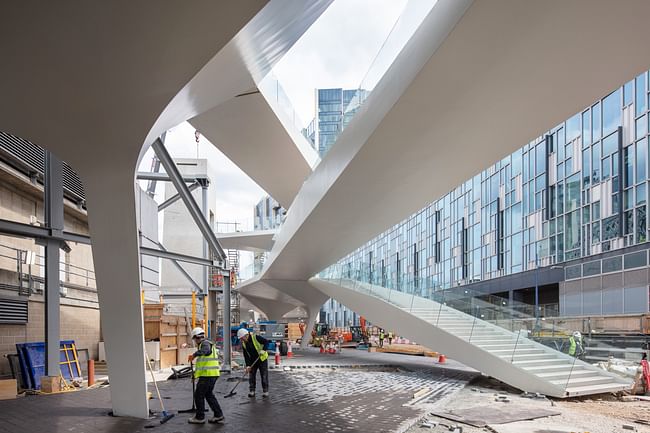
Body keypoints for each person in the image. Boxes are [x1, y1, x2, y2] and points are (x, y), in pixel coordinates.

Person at [187, 327, 224, 424]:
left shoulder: (205, 344)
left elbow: (206, 351)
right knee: (208, 395)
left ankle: (200, 417)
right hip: (211, 374)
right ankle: (218, 415)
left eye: (194, 339)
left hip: (208, 376)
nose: (194, 341)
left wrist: (194, 355)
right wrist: (195, 375)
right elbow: (202, 364)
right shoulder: (206, 344)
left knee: (199, 395)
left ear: (197, 337)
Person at [237, 328, 270, 398]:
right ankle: (252, 391)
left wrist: (263, 350)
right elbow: (246, 356)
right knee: (251, 376)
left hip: (262, 359)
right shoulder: (244, 344)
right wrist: (248, 365)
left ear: (246, 335)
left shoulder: (256, 337)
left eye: (242, 338)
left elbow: (266, 342)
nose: (241, 340)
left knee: (264, 375)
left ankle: (265, 391)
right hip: (253, 361)